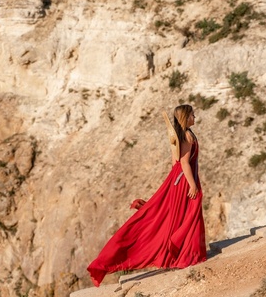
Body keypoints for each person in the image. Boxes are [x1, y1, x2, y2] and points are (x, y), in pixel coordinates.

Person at [87, 104, 207, 287]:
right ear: (185, 117)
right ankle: (187, 254)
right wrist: (192, 184)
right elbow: (183, 162)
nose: (195, 117)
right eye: (192, 114)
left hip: (177, 179)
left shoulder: (179, 136)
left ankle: (183, 253)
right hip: (184, 180)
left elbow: (173, 161)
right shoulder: (187, 136)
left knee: (176, 217)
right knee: (190, 214)